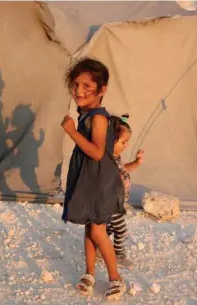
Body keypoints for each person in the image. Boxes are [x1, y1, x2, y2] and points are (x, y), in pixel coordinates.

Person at [61, 57, 126, 301]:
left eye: (87, 86)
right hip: (89, 177)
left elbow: (97, 152)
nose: (79, 91)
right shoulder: (87, 113)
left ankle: (115, 277)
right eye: (76, 84)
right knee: (90, 226)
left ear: (102, 90)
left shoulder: (98, 117)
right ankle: (89, 272)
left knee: (98, 230)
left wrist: (72, 132)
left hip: (99, 179)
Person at [96, 114, 144, 269]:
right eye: (123, 142)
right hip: (111, 203)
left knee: (109, 227)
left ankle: (98, 249)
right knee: (121, 229)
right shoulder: (106, 159)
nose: (126, 146)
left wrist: (137, 162)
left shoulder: (116, 158)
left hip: (118, 202)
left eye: (127, 142)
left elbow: (125, 169)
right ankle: (118, 255)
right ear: (110, 140)